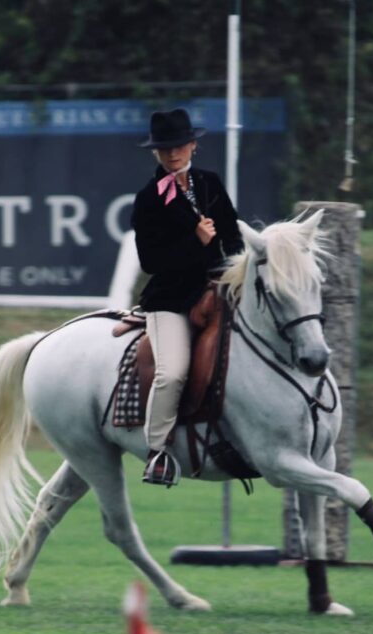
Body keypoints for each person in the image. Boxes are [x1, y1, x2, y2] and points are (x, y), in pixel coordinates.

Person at [131, 108, 244, 486]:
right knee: (172, 372)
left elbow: (233, 237)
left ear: (193, 145)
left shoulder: (210, 184)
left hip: (218, 291)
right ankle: (158, 452)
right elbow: (151, 261)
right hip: (171, 299)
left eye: (179, 145)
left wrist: (232, 266)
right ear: (156, 153)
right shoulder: (148, 199)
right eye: (164, 148)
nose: (172, 153)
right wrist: (195, 244)